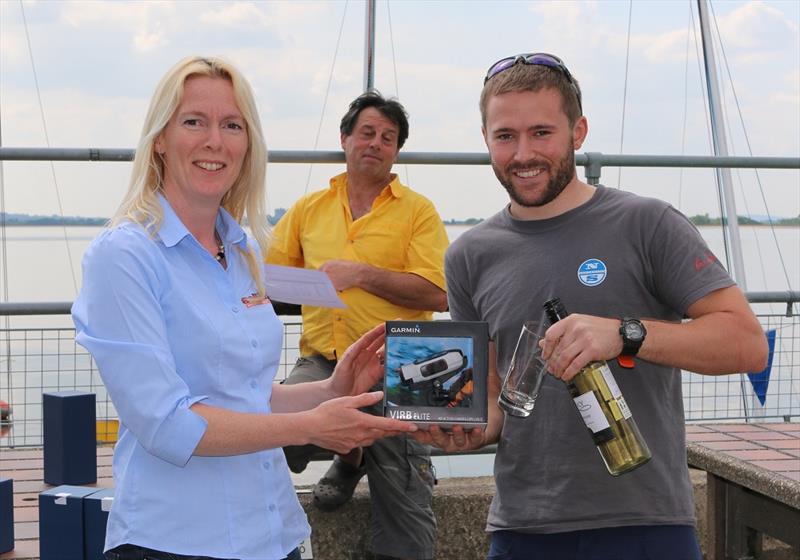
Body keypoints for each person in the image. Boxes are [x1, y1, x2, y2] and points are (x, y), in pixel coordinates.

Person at [417, 53, 769, 560]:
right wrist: (463, 431)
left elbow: (747, 344)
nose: (523, 154)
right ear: (486, 138)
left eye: (542, 132)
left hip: (645, 520)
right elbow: (494, 400)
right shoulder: (468, 256)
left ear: (578, 132)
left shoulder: (649, 224)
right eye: (505, 136)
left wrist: (627, 333)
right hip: (521, 528)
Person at [71, 56, 417, 560]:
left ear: (248, 144)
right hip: (173, 541)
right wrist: (312, 426)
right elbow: (165, 421)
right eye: (194, 121)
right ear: (160, 139)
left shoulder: (243, 250)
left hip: (270, 535)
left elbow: (245, 393)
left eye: (232, 125)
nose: (215, 141)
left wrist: (333, 388)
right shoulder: (123, 255)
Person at [267, 91, 448, 560]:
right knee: (271, 438)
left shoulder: (418, 211)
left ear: (397, 151)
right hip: (322, 363)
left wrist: (362, 274)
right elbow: (268, 282)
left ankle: (364, 456)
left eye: (388, 138)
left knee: (407, 500)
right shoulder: (308, 208)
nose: (376, 143)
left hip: (402, 362)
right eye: (366, 132)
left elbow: (439, 293)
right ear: (345, 138)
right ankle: (351, 456)